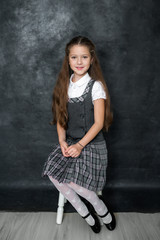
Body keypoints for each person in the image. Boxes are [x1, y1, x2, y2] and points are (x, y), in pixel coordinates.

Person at [42, 36, 116, 234]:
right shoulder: (64, 87)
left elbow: (99, 123)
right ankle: (85, 213)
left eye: (84, 57)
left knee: (74, 181)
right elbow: (60, 119)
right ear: (68, 59)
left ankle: (102, 210)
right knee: (53, 173)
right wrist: (62, 141)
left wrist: (80, 146)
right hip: (71, 141)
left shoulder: (95, 86)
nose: (79, 62)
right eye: (74, 57)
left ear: (92, 59)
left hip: (91, 145)